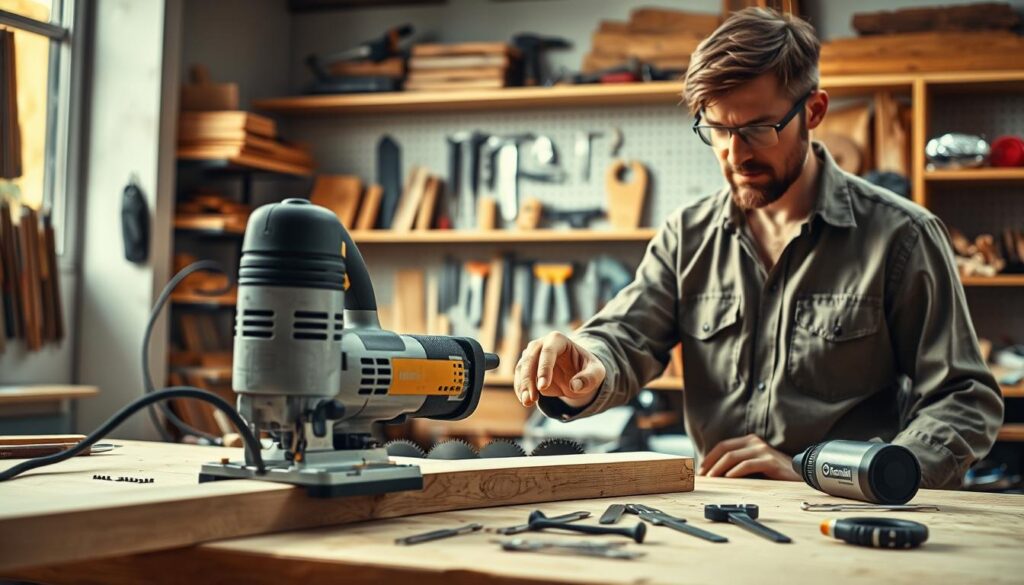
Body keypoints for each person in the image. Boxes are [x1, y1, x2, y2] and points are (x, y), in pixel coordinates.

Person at [512, 7, 1003, 489]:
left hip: (848, 517)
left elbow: (963, 397)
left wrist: (842, 474)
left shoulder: (903, 236)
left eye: (757, 129)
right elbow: (624, 338)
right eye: (718, 130)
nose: (735, 154)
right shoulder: (687, 236)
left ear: (814, 111)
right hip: (720, 520)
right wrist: (587, 362)